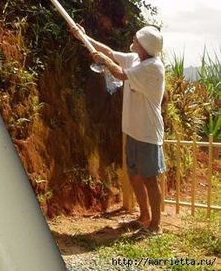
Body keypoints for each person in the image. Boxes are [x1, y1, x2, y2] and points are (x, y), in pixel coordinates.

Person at [70, 25, 166, 235]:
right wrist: (83, 36)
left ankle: (156, 226)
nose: (134, 38)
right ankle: (144, 217)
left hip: (148, 133)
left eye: (138, 38)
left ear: (145, 44)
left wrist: (105, 62)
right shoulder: (136, 59)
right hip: (133, 130)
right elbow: (110, 53)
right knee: (134, 176)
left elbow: (120, 73)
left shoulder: (152, 67)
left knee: (150, 179)